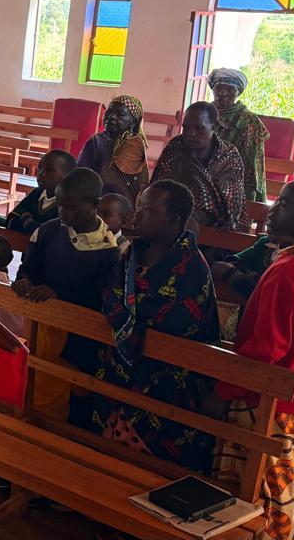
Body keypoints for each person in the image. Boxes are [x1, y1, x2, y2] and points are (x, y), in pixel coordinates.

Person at [211, 178, 294, 540]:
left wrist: (221, 392)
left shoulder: (290, 271)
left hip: (266, 399)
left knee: (252, 489)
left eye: (284, 205)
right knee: (282, 487)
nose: (272, 212)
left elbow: (264, 351)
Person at [89, 180, 220, 473]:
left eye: (148, 211)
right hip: (118, 373)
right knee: (108, 462)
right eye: (139, 207)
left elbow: (176, 323)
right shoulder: (131, 252)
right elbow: (110, 293)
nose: (137, 217)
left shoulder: (191, 268)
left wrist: (125, 319)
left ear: (173, 219)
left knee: (146, 471)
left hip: (164, 383)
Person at [12, 168, 121, 421]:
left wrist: (58, 295)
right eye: (60, 205)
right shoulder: (48, 231)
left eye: (70, 208)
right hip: (42, 329)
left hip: (79, 335)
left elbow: (100, 299)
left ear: (94, 205)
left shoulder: (109, 251)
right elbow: (28, 268)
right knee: (35, 383)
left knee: (73, 393)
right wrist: (24, 281)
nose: (62, 213)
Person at [151, 102, 249, 231]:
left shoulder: (229, 155)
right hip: (175, 224)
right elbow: (159, 189)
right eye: (186, 127)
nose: (190, 133)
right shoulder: (175, 148)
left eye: (199, 128)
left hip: (218, 228)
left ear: (214, 126)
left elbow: (233, 200)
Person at [209, 68, 270, 201]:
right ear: (213, 89)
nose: (223, 93)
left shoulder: (249, 121)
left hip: (235, 184)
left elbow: (251, 165)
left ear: (238, 92)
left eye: (230, 89)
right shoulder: (203, 113)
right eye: (219, 88)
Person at [75, 94, 150, 202]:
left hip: (127, 206)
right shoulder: (96, 142)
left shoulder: (136, 144)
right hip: (98, 202)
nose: (112, 116)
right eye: (109, 111)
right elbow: (82, 174)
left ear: (133, 122)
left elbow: (140, 184)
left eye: (121, 114)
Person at [6, 150, 75, 234]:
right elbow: (12, 219)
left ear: (68, 176)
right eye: (40, 167)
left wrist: (28, 222)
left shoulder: (68, 204)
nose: (41, 174)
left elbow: (54, 235)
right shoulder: (37, 193)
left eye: (49, 170)